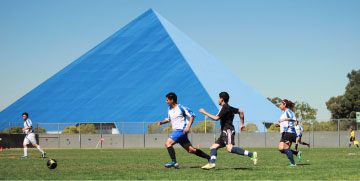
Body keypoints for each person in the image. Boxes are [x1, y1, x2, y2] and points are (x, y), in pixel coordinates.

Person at [198, 92, 257, 170]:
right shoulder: (229, 107)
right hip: (224, 131)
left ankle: (252, 154)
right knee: (213, 147)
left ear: (221, 99)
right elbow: (241, 112)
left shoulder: (224, 107)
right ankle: (211, 163)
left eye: (218, 98)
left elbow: (216, 118)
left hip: (228, 130)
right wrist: (242, 124)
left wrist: (204, 112)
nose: (218, 100)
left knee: (229, 148)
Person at [158, 92, 210, 168]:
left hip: (181, 130)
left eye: (167, 100)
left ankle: (174, 162)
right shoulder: (169, 109)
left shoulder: (181, 107)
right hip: (179, 132)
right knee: (191, 150)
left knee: (168, 143)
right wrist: (162, 122)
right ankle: (209, 158)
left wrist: (188, 127)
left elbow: (192, 115)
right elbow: (168, 119)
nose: (166, 102)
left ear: (172, 100)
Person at [275, 99, 301, 166]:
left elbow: (294, 119)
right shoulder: (284, 113)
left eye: (281, 104)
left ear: (285, 105)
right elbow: (287, 123)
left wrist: (284, 119)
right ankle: (296, 153)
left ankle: (293, 163)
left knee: (286, 148)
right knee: (281, 149)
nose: (280, 106)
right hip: (285, 133)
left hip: (289, 132)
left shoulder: (288, 111)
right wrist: (279, 125)